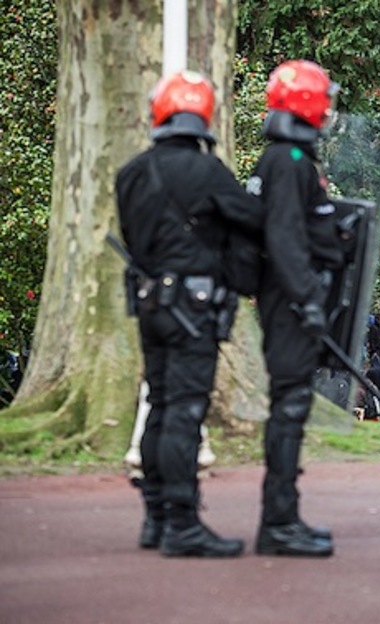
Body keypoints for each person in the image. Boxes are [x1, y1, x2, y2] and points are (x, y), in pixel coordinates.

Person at [115, 71, 265, 557]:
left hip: (150, 304)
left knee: (160, 401)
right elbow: (253, 220)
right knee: (185, 408)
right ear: (203, 116)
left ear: (159, 112)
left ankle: (156, 518)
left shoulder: (132, 172)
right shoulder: (209, 171)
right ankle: (182, 523)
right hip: (193, 309)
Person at [246, 60, 344, 557]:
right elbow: (284, 238)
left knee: (292, 406)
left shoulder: (287, 158)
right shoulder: (288, 161)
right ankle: (278, 522)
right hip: (290, 303)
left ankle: (283, 516)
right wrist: (307, 300)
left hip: (290, 300)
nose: (328, 107)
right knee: (289, 407)